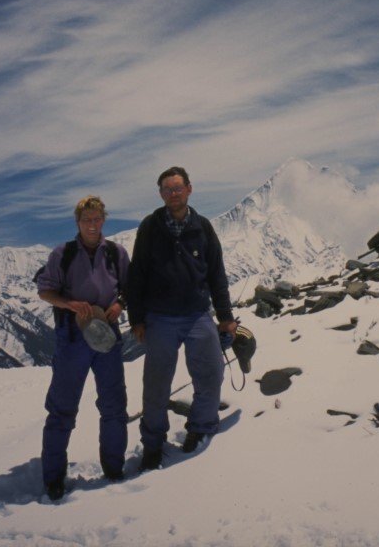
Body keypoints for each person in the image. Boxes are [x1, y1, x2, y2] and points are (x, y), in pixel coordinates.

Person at [125, 166, 237, 470]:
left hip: (198, 314)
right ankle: (152, 443)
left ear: (189, 189)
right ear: (161, 194)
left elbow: (217, 275)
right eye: (167, 189)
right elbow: (137, 275)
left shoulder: (202, 227)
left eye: (178, 188)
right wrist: (136, 318)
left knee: (211, 373)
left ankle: (201, 428)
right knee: (156, 384)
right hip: (160, 317)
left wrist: (225, 318)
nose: (173, 194)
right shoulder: (150, 227)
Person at [35, 195, 130, 501]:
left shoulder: (116, 253)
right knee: (62, 408)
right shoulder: (63, 254)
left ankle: (114, 469)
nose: (92, 224)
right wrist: (69, 304)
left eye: (97, 218)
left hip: (107, 334)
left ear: (104, 220)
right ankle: (53, 478)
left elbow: (129, 288)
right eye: (86, 219)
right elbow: (45, 291)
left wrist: (119, 304)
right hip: (73, 337)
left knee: (114, 405)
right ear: (78, 222)